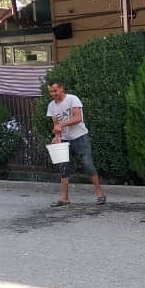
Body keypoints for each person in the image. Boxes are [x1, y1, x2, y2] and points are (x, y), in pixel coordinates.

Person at [45, 77, 106, 207]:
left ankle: (100, 195)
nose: (53, 94)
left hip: (80, 137)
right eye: (51, 92)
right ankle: (64, 198)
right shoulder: (51, 106)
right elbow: (56, 125)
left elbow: (78, 118)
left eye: (55, 91)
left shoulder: (72, 99)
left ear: (61, 88)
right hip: (65, 140)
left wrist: (61, 125)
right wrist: (57, 137)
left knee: (88, 164)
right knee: (64, 168)